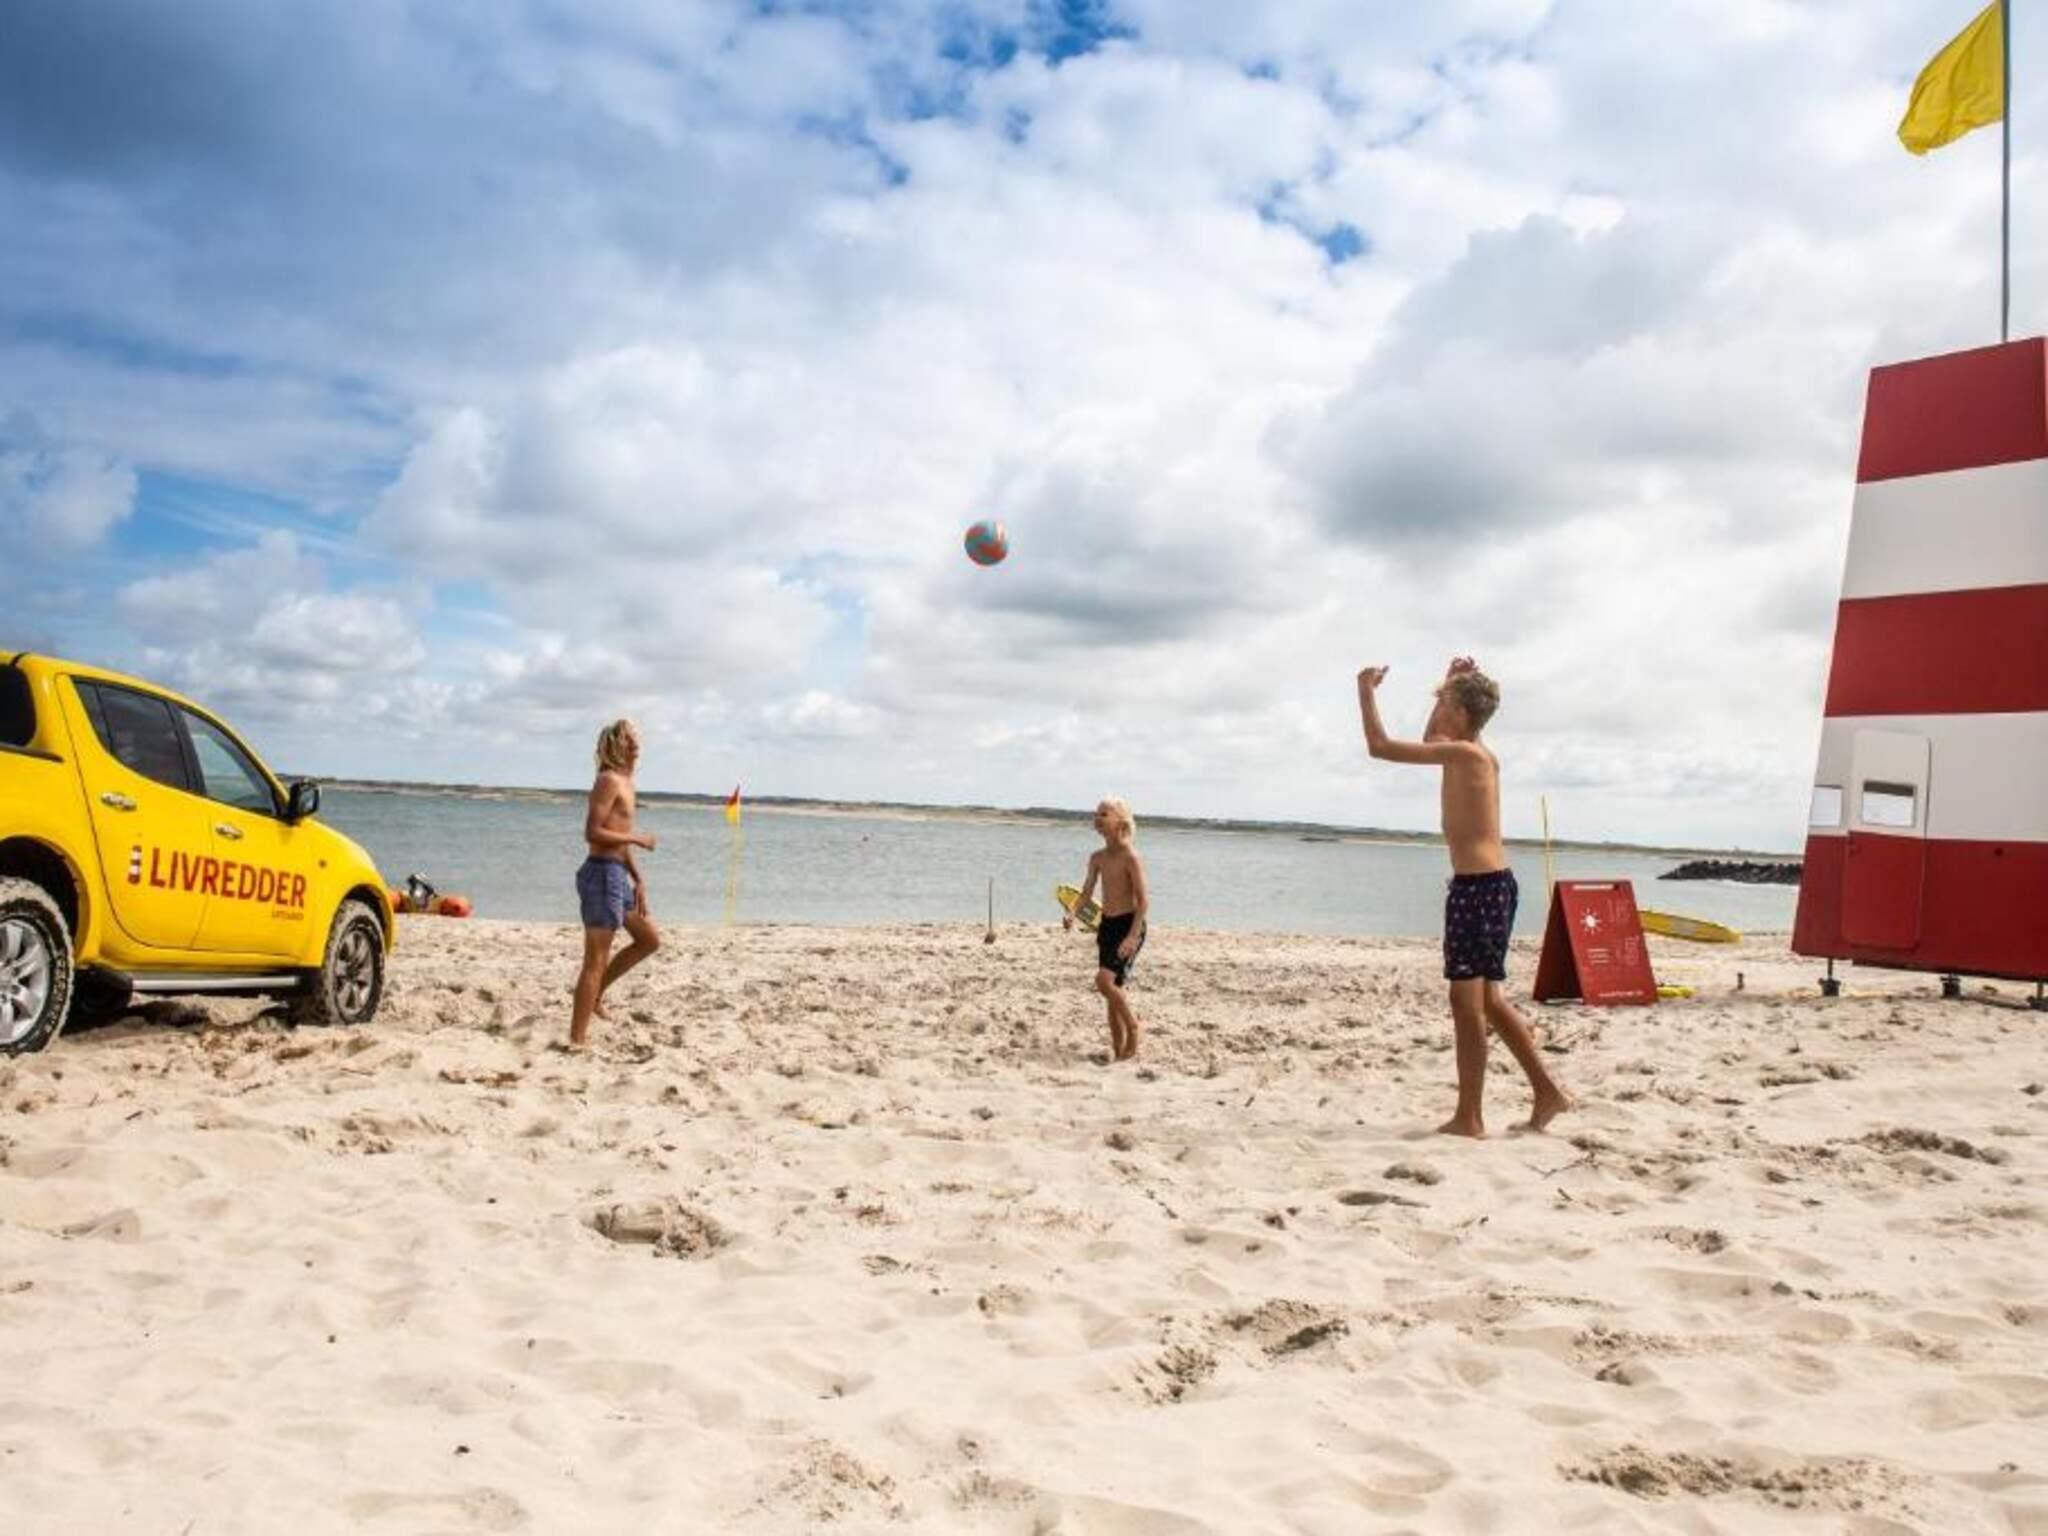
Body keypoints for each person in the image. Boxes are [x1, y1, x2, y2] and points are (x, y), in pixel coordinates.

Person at [1357, 659, 1570, 1136]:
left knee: (1467, 1003)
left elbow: (1380, 747)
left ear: (1461, 712)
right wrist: (1450, 682)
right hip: (1486, 887)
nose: (1437, 709)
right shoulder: (1473, 753)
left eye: (1443, 702)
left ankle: (1470, 1117)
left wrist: (1365, 690)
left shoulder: (1468, 755)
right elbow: (1432, 738)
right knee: (1487, 1001)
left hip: (1480, 890)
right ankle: (1546, 1092)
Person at [568, 719, 660, 1048]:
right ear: (616, 744)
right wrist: (636, 838)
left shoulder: (628, 784)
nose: (636, 742)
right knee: (595, 961)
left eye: (636, 736)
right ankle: (576, 1041)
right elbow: (592, 832)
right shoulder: (607, 781)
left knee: (648, 940)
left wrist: (638, 878)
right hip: (601, 874)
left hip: (617, 874)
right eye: (629, 737)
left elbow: (616, 837)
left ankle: (596, 997)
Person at [1065, 797, 1149, 1061]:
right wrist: (1072, 912)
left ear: (1120, 821)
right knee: (1112, 993)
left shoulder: (1130, 857)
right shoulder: (1097, 858)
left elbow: (1143, 901)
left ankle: (1133, 1027)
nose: (1098, 818)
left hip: (1129, 925)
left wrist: (1132, 936)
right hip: (1107, 925)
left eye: (1104, 814)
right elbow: (1087, 892)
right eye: (1096, 814)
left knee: (1103, 981)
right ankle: (1119, 1052)